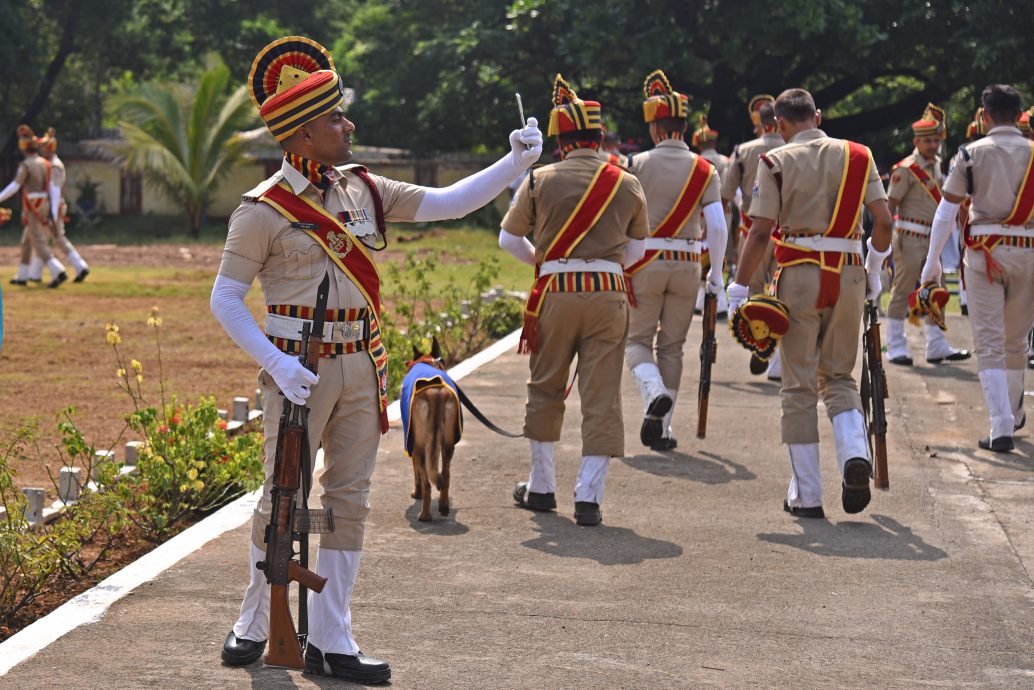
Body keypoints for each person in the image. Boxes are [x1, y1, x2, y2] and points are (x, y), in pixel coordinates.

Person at [212, 36, 542, 681]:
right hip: (297, 370)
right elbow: (225, 298)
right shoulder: (261, 210)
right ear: (303, 134)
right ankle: (255, 619)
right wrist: (277, 365)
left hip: (361, 365)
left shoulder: (364, 188)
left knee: (349, 498)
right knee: (282, 496)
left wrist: (513, 163)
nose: (349, 126)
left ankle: (331, 635)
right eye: (336, 118)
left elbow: (447, 203)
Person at [729, 88, 893, 518]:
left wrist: (739, 287)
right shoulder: (859, 155)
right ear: (817, 116)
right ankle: (854, 454)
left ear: (780, 124)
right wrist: (873, 270)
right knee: (839, 376)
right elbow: (884, 221)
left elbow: (760, 233)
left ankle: (807, 496)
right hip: (850, 272)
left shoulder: (774, 160)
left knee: (798, 385)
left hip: (799, 274)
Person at [499, 73, 647, 526]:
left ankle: (542, 487)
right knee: (602, 396)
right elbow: (638, 251)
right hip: (609, 294)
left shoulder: (539, 179)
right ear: (599, 139)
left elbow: (508, 239)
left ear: (560, 143)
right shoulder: (626, 182)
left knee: (545, 387)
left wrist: (545, 264)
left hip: (555, 293)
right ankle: (588, 496)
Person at [921, 84, 1034, 453]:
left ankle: (1001, 425)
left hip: (985, 253)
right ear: (1019, 115)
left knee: (988, 340)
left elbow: (946, 212)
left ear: (984, 116)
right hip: (1029, 251)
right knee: (1016, 341)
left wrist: (932, 262)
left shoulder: (970, 154)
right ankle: (1014, 413)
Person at [622, 69, 725, 451]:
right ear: (684, 127)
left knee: (636, 341)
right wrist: (716, 274)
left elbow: (621, 220)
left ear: (654, 128)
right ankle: (662, 429)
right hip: (687, 263)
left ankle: (653, 394)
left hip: (644, 262)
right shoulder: (705, 169)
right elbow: (717, 226)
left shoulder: (635, 164)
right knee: (672, 347)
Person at [884, 104, 969, 366]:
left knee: (937, 290)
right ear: (916, 142)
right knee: (902, 290)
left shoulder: (938, 166)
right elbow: (890, 206)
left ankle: (936, 345)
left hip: (932, 239)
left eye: (936, 140)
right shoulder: (906, 169)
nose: (933, 145)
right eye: (928, 141)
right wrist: (885, 243)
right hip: (908, 237)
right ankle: (896, 345)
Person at [722, 94, 784, 379]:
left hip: (752, 228)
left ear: (761, 123)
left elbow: (725, 194)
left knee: (756, 292)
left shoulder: (743, 151)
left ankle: (762, 344)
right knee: (783, 291)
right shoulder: (795, 149)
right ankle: (778, 361)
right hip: (786, 232)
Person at [0, 125, 67, 287]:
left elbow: (15, 186)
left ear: (23, 147)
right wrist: (53, 211)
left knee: (37, 241)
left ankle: (57, 270)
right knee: (27, 240)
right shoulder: (45, 163)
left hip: (33, 206)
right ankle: (22, 275)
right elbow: (53, 188)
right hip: (44, 204)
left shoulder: (27, 165)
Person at [24, 128, 89, 282]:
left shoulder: (54, 166)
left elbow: (55, 191)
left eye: (43, 149)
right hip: (52, 206)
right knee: (46, 239)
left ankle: (79, 266)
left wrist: (52, 214)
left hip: (55, 206)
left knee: (55, 238)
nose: (41, 152)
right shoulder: (52, 164)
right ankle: (35, 273)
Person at [691, 116, 732, 316]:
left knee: (701, 256)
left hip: (699, 214)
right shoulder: (726, 161)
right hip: (724, 214)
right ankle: (714, 301)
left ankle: (710, 301)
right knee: (719, 257)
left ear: (699, 144)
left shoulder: (694, 162)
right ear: (714, 143)